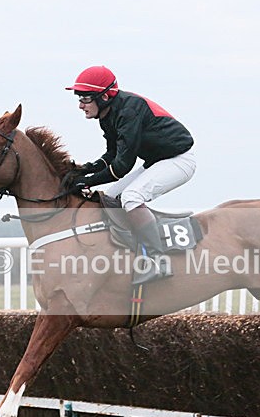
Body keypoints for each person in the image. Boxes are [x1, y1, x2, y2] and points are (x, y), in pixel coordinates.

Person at [66, 65, 196, 284]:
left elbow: (121, 167)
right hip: (157, 160)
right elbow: (112, 154)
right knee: (111, 197)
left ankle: (157, 261)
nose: (80, 105)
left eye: (85, 99)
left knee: (131, 197)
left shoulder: (129, 110)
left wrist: (87, 181)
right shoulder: (107, 115)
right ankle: (133, 253)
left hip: (179, 160)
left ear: (105, 97)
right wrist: (85, 169)